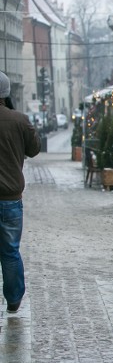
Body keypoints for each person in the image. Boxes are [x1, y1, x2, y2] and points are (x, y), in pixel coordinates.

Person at [0, 71, 40, 314]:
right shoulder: (19, 120)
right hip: (10, 198)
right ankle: (13, 300)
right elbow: (34, 150)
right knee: (10, 252)